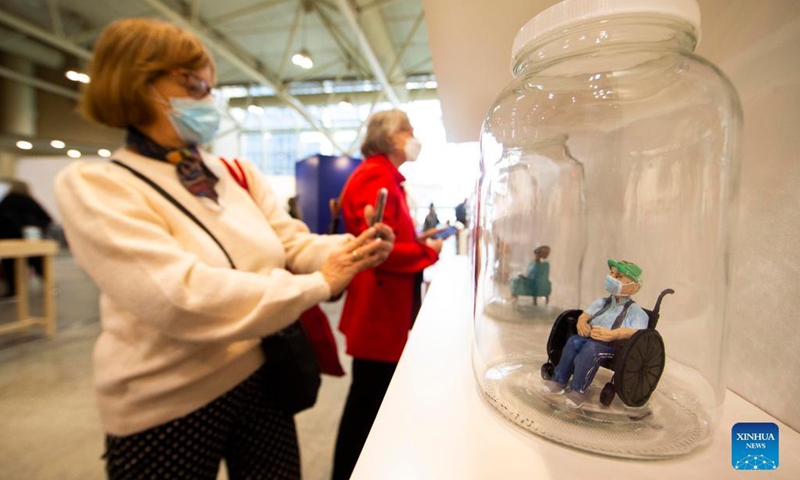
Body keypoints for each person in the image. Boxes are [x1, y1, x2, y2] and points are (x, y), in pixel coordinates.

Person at [54, 18, 394, 480]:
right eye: (191, 83)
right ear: (136, 82)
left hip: (262, 374)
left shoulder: (235, 172)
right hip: (165, 401)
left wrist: (352, 248)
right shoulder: (97, 184)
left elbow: (290, 242)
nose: (206, 98)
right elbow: (178, 296)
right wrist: (318, 283)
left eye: (210, 87)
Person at [333, 109, 442, 480]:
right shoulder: (376, 178)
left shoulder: (387, 178)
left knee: (371, 397)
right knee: (367, 402)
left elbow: (393, 238)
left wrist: (417, 242)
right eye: (407, 129)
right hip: (377, 308)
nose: (414, 135)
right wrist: (428, 252)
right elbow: (379, 250)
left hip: (385, 307)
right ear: (388, 136)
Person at [542, 259, 648, 408]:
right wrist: (582, 323)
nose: (612, 278)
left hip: (612, 347)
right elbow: (585, 315)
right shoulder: (601, 303)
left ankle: (578, 390)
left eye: (619, 277)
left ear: (634, 287)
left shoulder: (635, 312)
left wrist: (614, 335)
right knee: (573, 341)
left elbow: (636, 332)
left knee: (591, 350)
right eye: (612, 273)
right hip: (589, 338)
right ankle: (559, 380)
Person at [0, 181, 53, 297]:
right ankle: (49, 287)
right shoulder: (29, 201)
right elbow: (47, 218)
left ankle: (13, 292)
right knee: (37, 262)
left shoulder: (6, 201)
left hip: (9, 239)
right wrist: (37, 229)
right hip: (30, 238)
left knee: (10, 265)